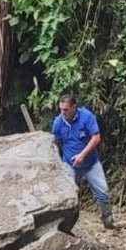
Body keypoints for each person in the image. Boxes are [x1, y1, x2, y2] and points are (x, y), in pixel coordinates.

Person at [51, 94, 117, 230]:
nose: (63, 112)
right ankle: (66, 225)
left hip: (91, 163)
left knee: (103, 192)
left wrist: (82, 155)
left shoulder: (86, 117)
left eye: (66, 109)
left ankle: (108, 220)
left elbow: (96, 138)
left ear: (74, 107)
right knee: (68, 195)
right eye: (61, 109)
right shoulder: (58, 122)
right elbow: (56, 143)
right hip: (70, 164)